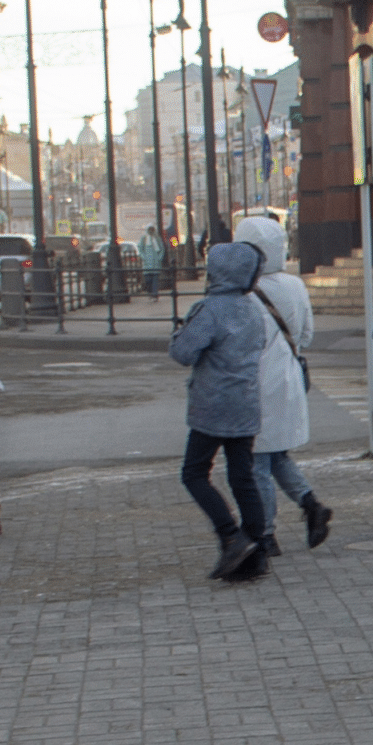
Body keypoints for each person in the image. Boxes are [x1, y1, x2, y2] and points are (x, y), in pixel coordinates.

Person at [170, 241, 270, 581]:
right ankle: (256, 547)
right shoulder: (252, 307)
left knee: (194, 473)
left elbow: (183, 353)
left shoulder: (210, 309)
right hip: (245, 401)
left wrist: (179, 332)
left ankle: (230, 536)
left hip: (213, 405)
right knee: (243, 476)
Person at [235, 215, 333, 554]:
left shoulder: (243, 291)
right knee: (276, 455)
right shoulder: (295, 286)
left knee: (257, 462)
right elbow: (305, 335)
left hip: (255, 385)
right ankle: (310, 505)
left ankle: (265, 533)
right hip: (288, 380)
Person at [139, 226, 166, 301]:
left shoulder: (157, 238)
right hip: (147, 263)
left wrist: (159, 258)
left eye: (152, 229)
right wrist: (144, 257)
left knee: (155, 280)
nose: (151, 231)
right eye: (149, 229)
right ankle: (150, 293)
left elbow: (161, 249)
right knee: (148, 280)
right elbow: (140, 249)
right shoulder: (144, 238)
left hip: (155, 263)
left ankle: (155, 295)